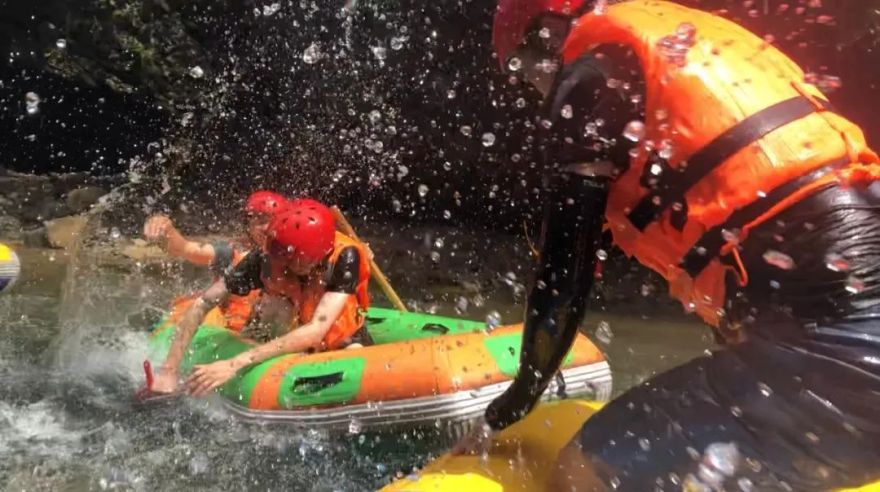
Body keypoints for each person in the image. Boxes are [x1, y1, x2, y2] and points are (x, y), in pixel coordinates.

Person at [463, 0, 880, 490]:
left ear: (546, 37)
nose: (531, 88)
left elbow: (562, 282)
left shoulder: (589, 77)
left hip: (845, 365)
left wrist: (510, 406)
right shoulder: (699, 42)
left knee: (586, 469)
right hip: (843, 335)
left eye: (522, 70)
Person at [150, 198, 372, 396]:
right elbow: (202, 304)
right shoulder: (264, 259)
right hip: (284, 329)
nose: (290, 266)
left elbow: (316, 331)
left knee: (354, 354)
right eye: (285, 258)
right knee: (275, 306)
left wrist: (234, 364)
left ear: (322, 252)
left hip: (336, 335)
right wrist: (169, 370)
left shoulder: (344, 256)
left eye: (298, 260)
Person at [143, 190, 288, 331]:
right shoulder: (230, 254)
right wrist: (166, 229)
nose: (263, 228)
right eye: (255, 221)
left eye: (268, 220)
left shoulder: (295, 261)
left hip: (266, 330)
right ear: (247, 226)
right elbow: (183, 247)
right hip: (229, 331)